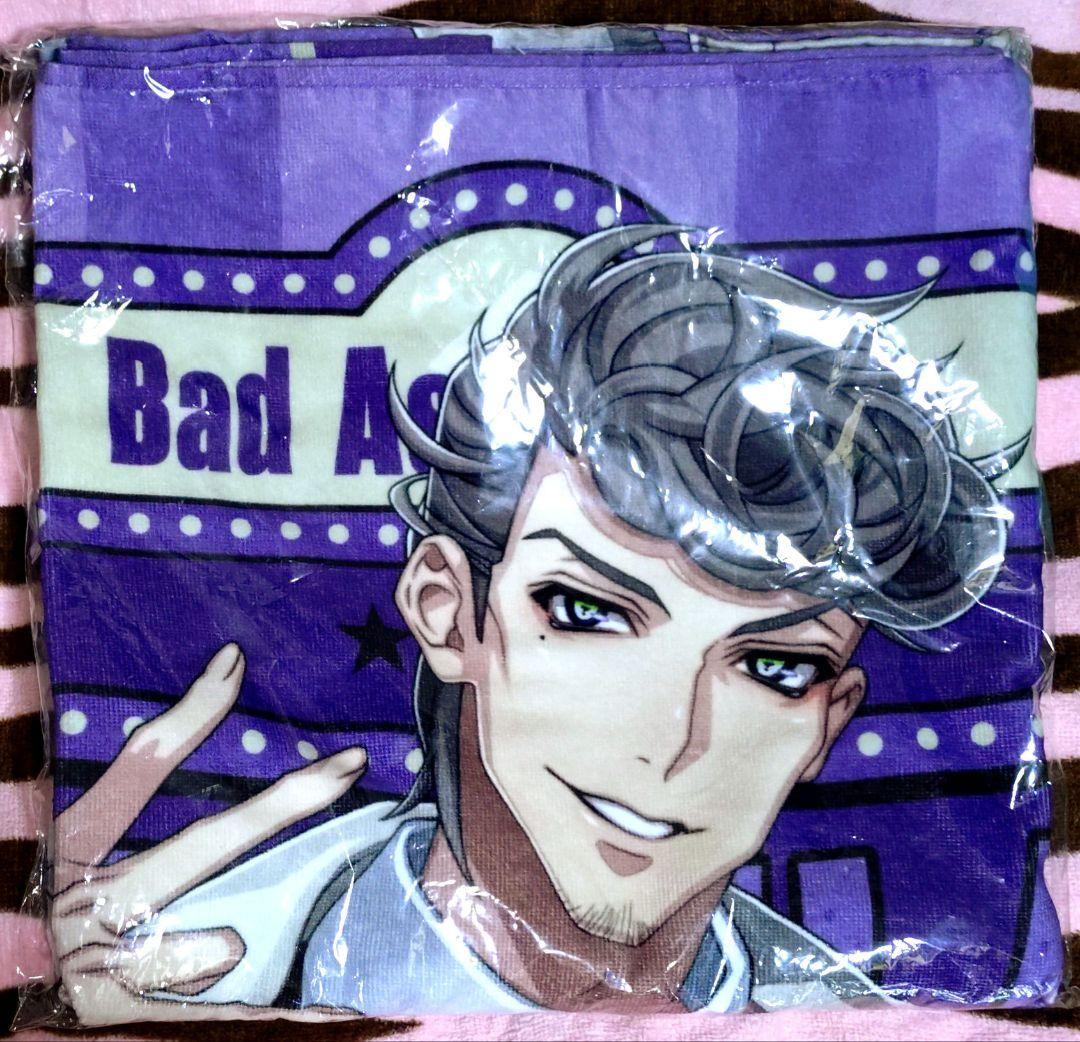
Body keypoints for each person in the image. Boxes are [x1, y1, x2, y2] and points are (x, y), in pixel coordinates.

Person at [50, 225, 1014, 1024]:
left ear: (830, 722)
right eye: (589, 612)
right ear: (447, 612)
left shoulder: (878, 1017)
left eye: (772, 666)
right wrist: (47, 974)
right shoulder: (174, 970)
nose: (671, 744)